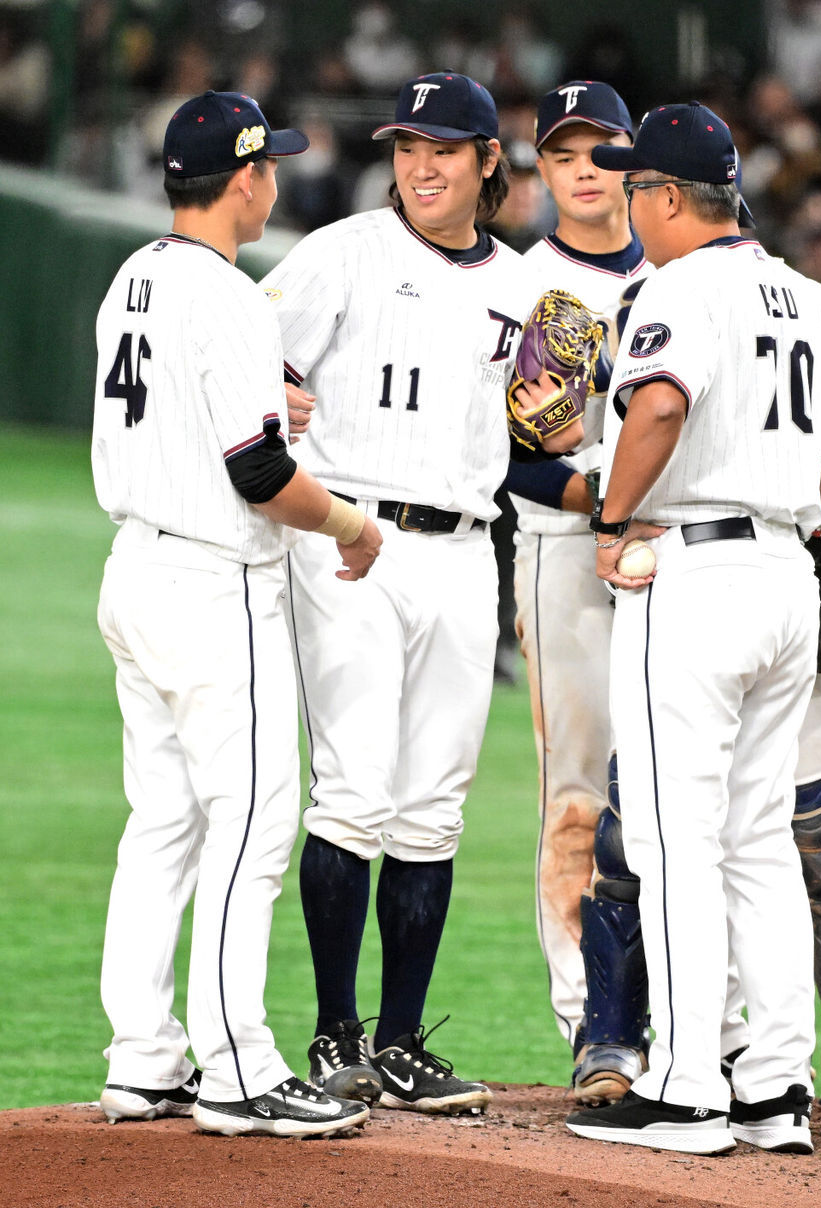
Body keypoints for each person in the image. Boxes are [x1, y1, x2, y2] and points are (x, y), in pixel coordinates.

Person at [564, 101, 821, 1155]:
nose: (623, 197)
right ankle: (774, 1087)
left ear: (664, 197)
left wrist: (613, 519)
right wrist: (794, 496)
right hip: (785, 573)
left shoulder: (676, 286)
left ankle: (689, 1086)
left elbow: (654, 404)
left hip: (693, 577)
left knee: (670, 835)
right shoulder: (800, 294)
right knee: (756, 837)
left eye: (631, 184)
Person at [93, 90, 382, 1139]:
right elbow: (260, 471)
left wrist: (270, 393)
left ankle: (143, 1058)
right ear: (248, 177)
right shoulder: (229, 295)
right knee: (253, 824)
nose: (276, 181)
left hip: (136, 571)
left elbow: (195, 410)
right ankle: (237, 1066)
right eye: (271, 166)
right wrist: (349, 522)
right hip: (214, 585)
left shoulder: (135, 276)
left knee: (163, 824)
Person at [262, 72, 549, 1116]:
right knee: (354, 791)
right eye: (405, 146)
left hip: (467, 549)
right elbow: (249, 363)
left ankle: (398, 1041)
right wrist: (273, 385)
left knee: (433, 806)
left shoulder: (522, 287)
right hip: (352, 537)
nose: (420, 165)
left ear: (486, 163)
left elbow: (540, 436)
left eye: (443, 148)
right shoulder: (341, 251)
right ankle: (334, 1031)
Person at [502, 80, 652, 1075]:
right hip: (565, 555)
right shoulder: (532, 288)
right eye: (565, 155)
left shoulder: (694, 272)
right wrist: (606, 498)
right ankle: (593, 1025)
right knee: (578, 799)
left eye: (603, 153)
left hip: (681, 554)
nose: (585, 170)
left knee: (689, 798)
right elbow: (522, 458)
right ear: (544, 170)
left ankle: (707, 1027)